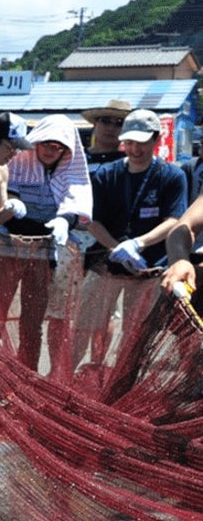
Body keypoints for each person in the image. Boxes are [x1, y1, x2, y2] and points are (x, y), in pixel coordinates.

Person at [75, 108, 187, 373]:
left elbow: (174, 220)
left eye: (142, 142)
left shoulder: (171, 176)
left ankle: (123, 383)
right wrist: (117, 248)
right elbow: (91, 219)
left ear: (156, 139)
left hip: (148, 267)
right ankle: (70, 377)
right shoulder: (107, 174)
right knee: (87, 323)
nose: (135, 149)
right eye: (130, 142)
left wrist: (138, 244)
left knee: (134, 333)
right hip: (107, 262)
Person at [0, 113, 91, 376]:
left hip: (44, 254)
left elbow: (75, 202)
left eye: (58, 147)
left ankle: (27, 378)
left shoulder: (68, 171)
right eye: (46, 144)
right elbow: (4, 192)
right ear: (36, 142)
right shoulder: (17, 162)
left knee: (32, 321)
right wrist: (12, 203)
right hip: (7, 247)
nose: (51, 151)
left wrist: (65, 220)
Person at [82, 99, 132, 166]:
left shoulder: (130, 162)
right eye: (106, 121)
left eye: (120, 123)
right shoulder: (77, 158)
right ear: (95, 123)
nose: (111, 128)